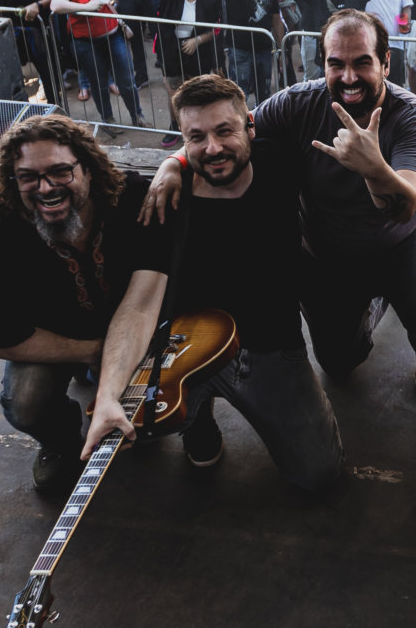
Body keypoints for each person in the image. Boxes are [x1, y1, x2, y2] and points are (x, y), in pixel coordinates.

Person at [145, 7, 416, 398]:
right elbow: (232, 130)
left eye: (362, 63)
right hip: (329, 250)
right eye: (336, 64)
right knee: (339, 364)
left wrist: (373, 167)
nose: (349, 77)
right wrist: (174, 163)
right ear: (322, 64)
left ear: (386, 63)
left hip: (402, 240)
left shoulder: (412, 116)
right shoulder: (297, 103)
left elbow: (406, 206)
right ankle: (379, 300)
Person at [87, 74, 345, 490]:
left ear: (250, 126)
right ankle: (198, 419)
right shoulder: (166, 201)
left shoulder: (280, 162)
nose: (212, 148)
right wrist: (106, 397)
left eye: (225, 131)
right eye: (196, 137)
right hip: (188, 346)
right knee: (137, 435)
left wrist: (174, 161)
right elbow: (139, 304)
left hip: (269, 345)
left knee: (319, 475)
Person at [0, 114, 164, 497]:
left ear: (88, 169)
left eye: (60, 171)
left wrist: (173, 166)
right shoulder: (3, 235)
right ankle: (60, 442)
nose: (45, 188)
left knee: (160, 411)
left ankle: (189, 422)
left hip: (136, 327)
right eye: (28, 177)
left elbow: (146, 299)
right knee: (25, 403)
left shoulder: (133, 198)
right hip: (59, 340)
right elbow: (1, 339)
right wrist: (91, 351)